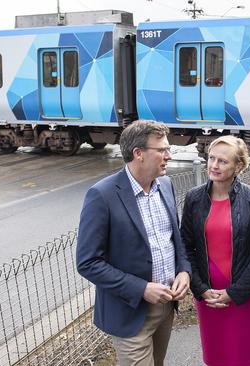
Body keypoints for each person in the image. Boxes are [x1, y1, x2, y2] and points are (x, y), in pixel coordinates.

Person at [76, 120, 191, 366]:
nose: (169, 156)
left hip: (167, 307)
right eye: (162, 150)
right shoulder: (102, 195)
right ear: (138, 154)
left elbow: (174, 239)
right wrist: (141, 288)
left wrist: (184, 270)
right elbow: (88, 262)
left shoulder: (166, 185)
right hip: (130, 313)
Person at [181, 135, 250, 366]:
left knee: (245, 358)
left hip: (245, 294)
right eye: (211, 158)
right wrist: (201, 290)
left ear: (238, 166)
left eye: (222, 161)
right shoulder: (194, 198)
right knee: (217, 357)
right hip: (209, 295)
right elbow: (186, 247)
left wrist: (235, 292)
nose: (213, 165)